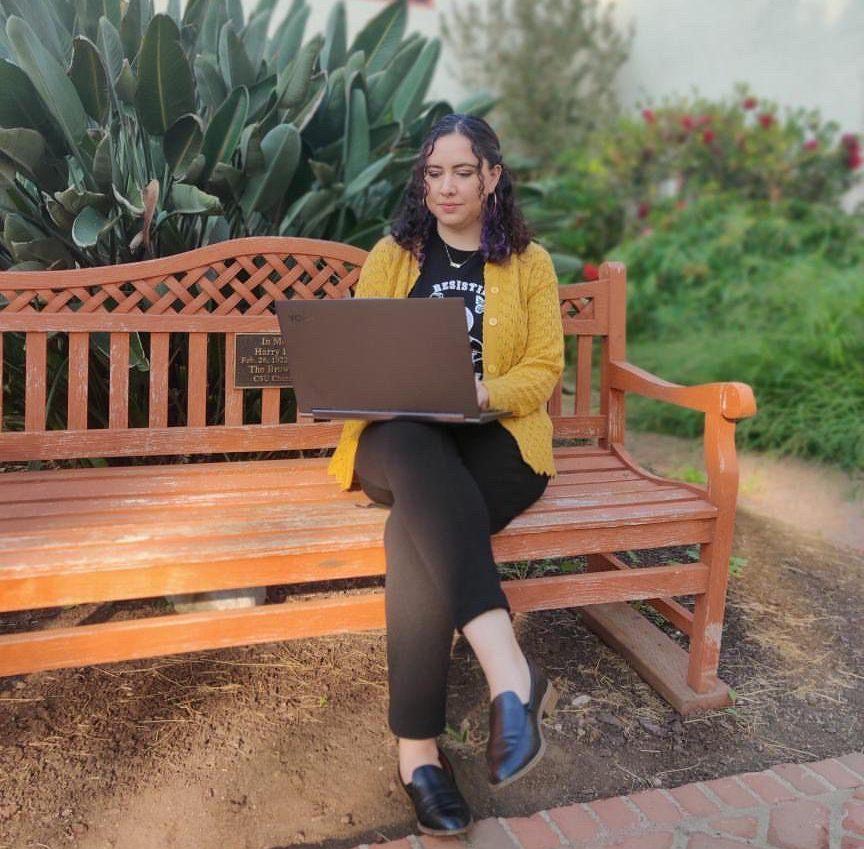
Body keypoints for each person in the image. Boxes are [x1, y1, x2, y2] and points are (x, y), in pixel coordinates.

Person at [326, 113, 565, 836]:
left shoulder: (530, 264)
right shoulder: (394, 255)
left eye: (463, 171)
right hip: (398, 438)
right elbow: (359, 354)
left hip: (496, 441)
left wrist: (482, 393)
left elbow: (544, 368)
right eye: (434, 173)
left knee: (415, 531)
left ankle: (418, 753)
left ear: (493, 175)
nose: (447, 187)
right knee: (414, 451)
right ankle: (511, 676)